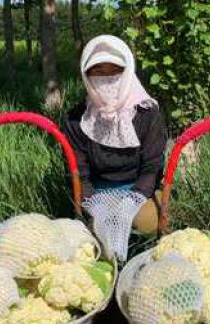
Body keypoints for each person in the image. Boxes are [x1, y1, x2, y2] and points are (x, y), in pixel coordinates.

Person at [63, 35, 167, 235]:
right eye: (98, 71)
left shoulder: (146, 113)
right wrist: (97, 208)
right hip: (96, 195)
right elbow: (78, 174)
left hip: (140, 191)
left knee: (145, 221)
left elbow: (151, 168)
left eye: (115, 70)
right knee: (97, 228)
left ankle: (141, 246)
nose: (107, 78)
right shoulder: (77, 119)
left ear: (128, 71)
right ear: (86, 76)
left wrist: (130, 204)